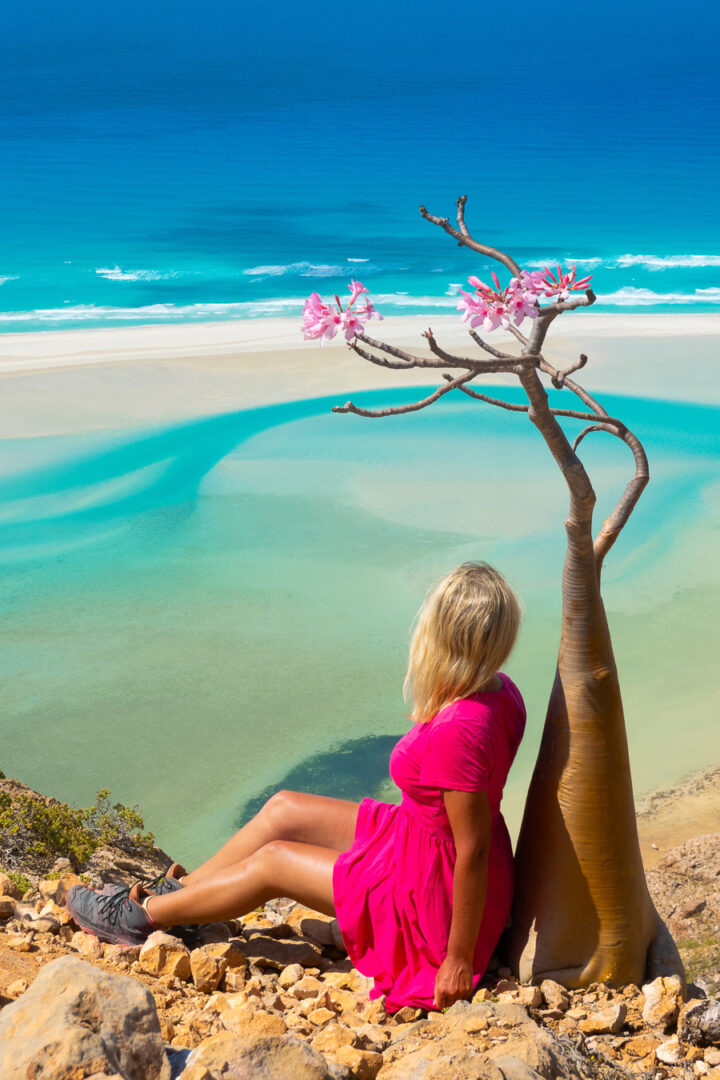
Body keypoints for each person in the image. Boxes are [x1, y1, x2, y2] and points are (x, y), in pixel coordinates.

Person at [67, 561, 525, 1012]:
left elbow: (474, 848)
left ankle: (137, 918)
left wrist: (458, 959)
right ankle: (179, 896)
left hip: (430, 901)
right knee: (283, 808)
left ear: (446, 634)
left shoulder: (460, 728)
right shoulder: (500, 690)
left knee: (274, 862)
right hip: (419, 841)